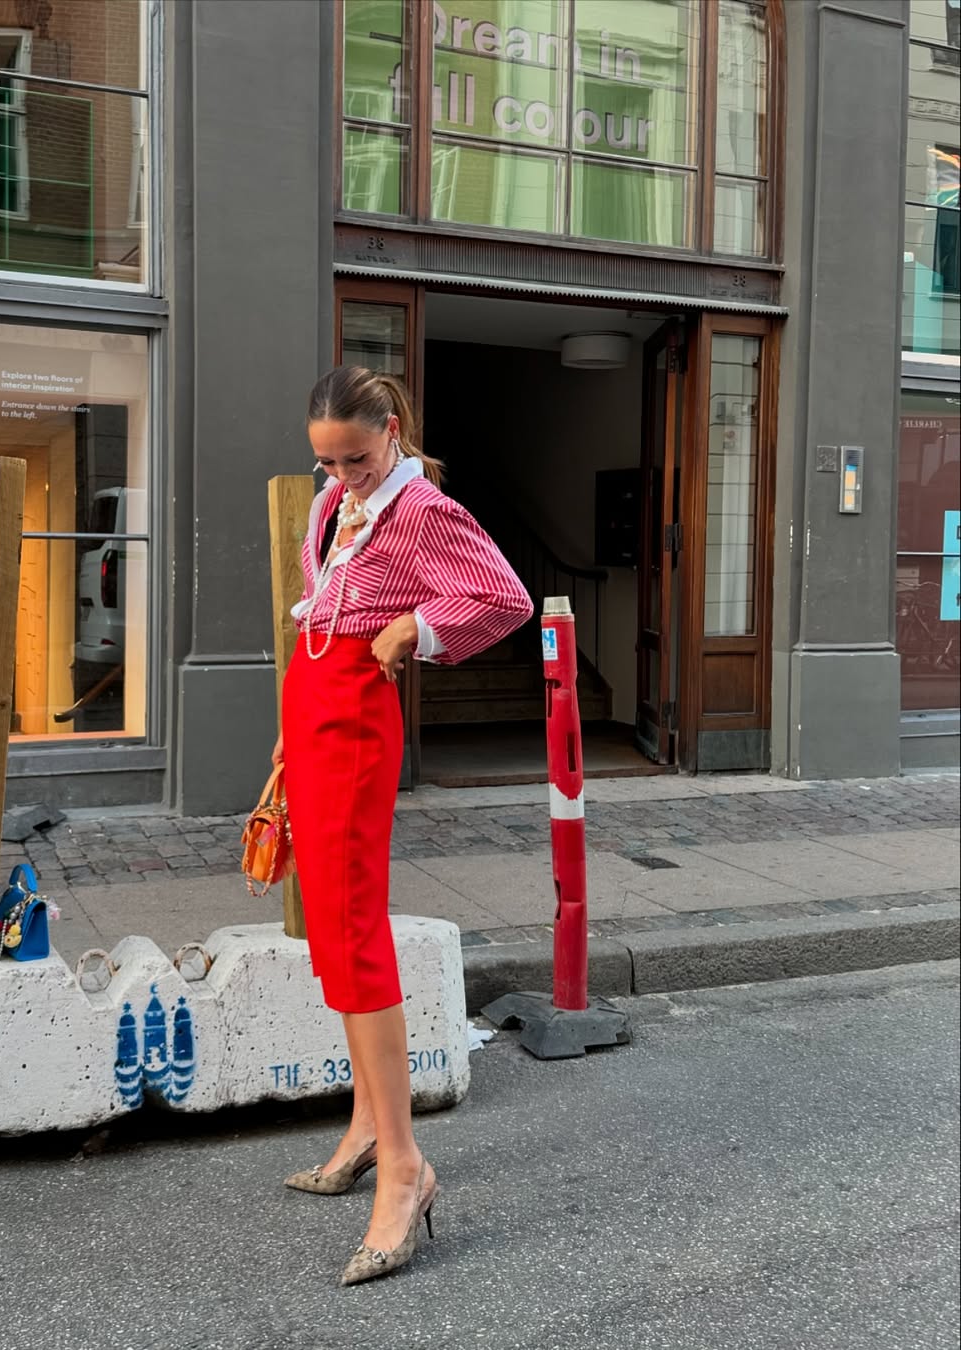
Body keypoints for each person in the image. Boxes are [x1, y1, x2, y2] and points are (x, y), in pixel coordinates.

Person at [272, 364, 532, 1287]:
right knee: (331, 928)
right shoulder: (332, 503)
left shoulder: (419, 507)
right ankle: (367, 1128)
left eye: (355, 457)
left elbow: (504, 597)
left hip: (354, 717)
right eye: (328, 461)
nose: (341, 475)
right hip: (314, 706)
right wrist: (287, 728)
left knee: (353, 926)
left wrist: (416, 627)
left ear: (390, 430)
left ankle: (406, 1167)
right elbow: (321, 607)